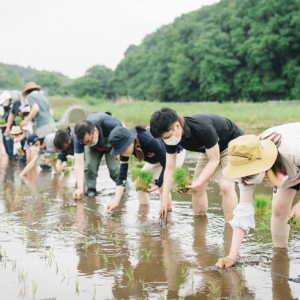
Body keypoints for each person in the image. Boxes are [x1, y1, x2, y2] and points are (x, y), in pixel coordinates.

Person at [215, 125, 300, 268]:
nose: (247, 176)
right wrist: (231, 256)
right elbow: (243, 215)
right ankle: (280, 255)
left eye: (250, 172)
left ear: (262, 162)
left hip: (292, 162)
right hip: (286, 172)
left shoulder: (292, 151)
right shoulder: (244, 172)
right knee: (279, 208)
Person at [150, 107, 244, 222]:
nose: (166, 141)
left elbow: (214, 160)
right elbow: (169, 168)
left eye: (167, 137)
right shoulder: (171, 138)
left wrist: (198, 181)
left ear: (177, 126)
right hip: (210, 149)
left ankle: (231, 228)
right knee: (197, 188)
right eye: (163, 139)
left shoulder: (202, 128)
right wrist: (165, 198)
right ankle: (199, 227)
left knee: (225, 185)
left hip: (232, 143)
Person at [105, 125, 186, 214]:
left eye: (123, 150)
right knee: (140, 183)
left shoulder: (149, 141)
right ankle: (143, 215)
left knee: (162, 187)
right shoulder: (125, 149)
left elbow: (166, 164)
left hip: (174, 154)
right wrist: (115, 203)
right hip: (157, 158)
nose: (122, 154)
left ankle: (166, 217)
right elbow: (122, 176)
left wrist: (158, 184)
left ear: (131, 142)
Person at [73, 112, 123, 199]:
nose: (88, 144)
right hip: (94, 149)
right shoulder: (78, 138)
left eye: (89, 140)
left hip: (111, 143)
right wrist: (80, 188)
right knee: (89, 167)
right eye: (85, 143)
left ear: (95, 131)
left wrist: (119, 150)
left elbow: (124, 132)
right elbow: (78, 164)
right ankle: (90, 194)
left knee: (114, 169)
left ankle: (124, 190)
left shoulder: (111, 123)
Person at [0, 92, 14, 157]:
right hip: (4, 133)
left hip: (10, 133)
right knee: (8, 150)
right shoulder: (5, 109)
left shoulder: (12, 109)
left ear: (8, 99)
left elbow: (13, 122)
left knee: (12, 150)